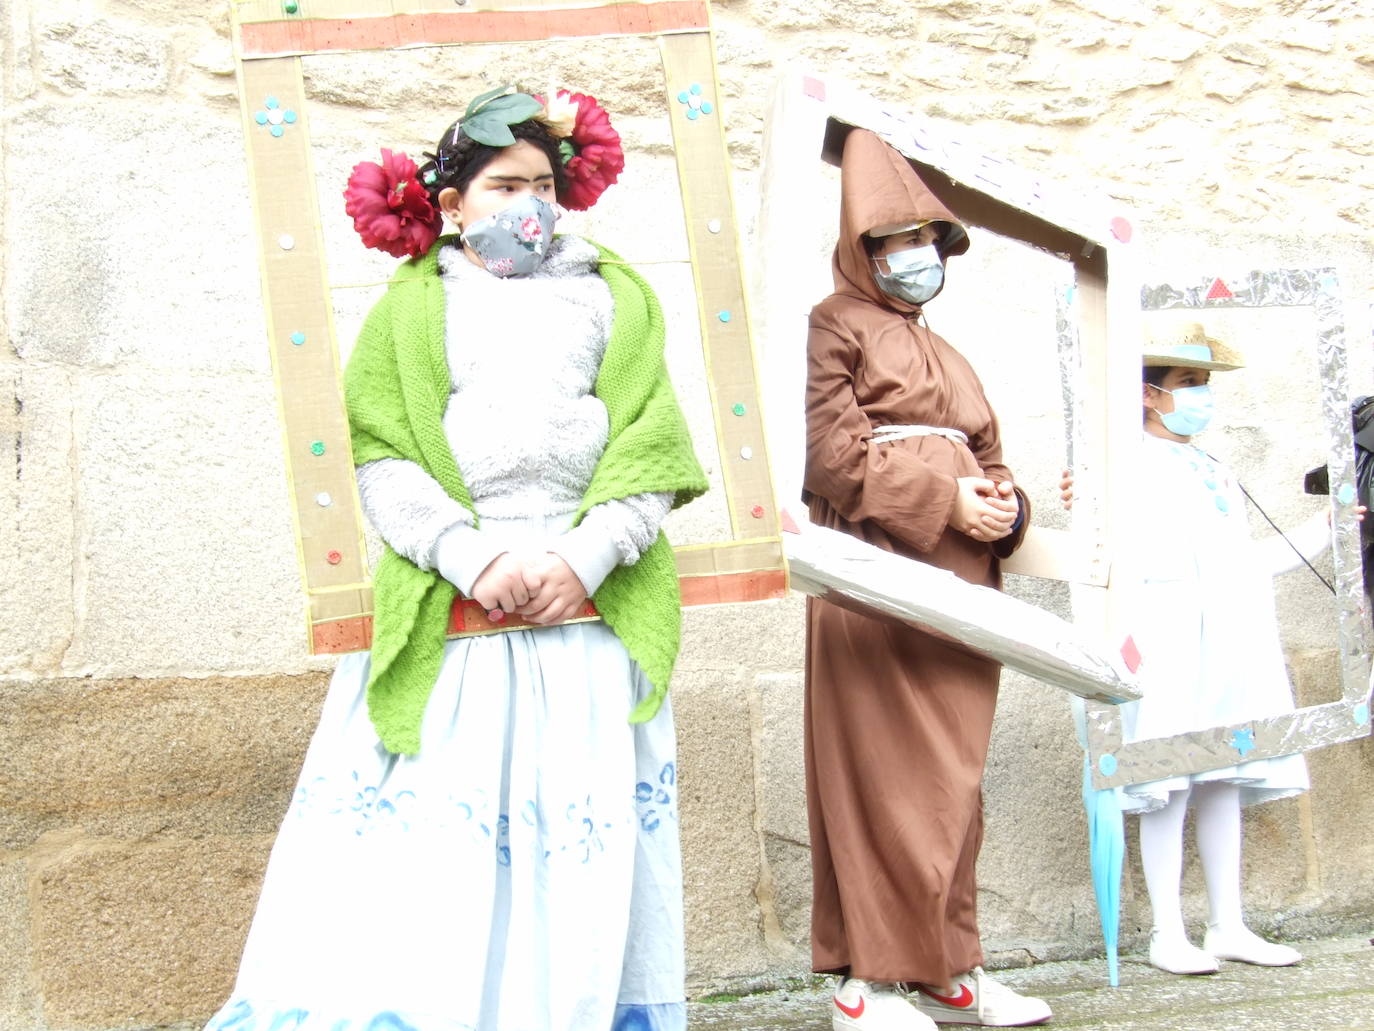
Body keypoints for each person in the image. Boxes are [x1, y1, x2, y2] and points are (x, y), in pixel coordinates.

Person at [204, 86, 707, 1031]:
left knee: (574, 854)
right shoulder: (409, 312)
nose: (529, 203)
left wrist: (589, 555)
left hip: (581, 615)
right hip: (455, 608)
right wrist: (470, 555)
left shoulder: (617, 297)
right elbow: (382, 452)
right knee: (433, 859)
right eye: (503, 184)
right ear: (450, 204)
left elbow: (654, 444)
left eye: (544, 184)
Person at [802, 128, 1051, 1031]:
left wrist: (1006, 512)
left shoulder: (952, 354)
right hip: (878, 571)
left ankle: (951, 969)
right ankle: (865, 985)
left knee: (953, 779)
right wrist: (945, 500)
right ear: (861, 251)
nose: (914, 258)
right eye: (893, 241)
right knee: (881, 774)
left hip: (965, 586)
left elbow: (995, 459)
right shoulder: (833, 325)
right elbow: (830, 457)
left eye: (925, 241)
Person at [1062, 320, 1313, 976]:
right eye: (1188, 383)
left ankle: (1228, 922)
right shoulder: (1123, 468)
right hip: (1168, 642)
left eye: (1204, 383)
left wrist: (1322, 532)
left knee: (1224, 771)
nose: (1202, 396)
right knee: (1168, 781)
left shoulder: (1213, 468)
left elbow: (1240, 562)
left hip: (1227, 642)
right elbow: (1105, 555)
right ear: (1149, 394)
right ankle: (1168, 931)